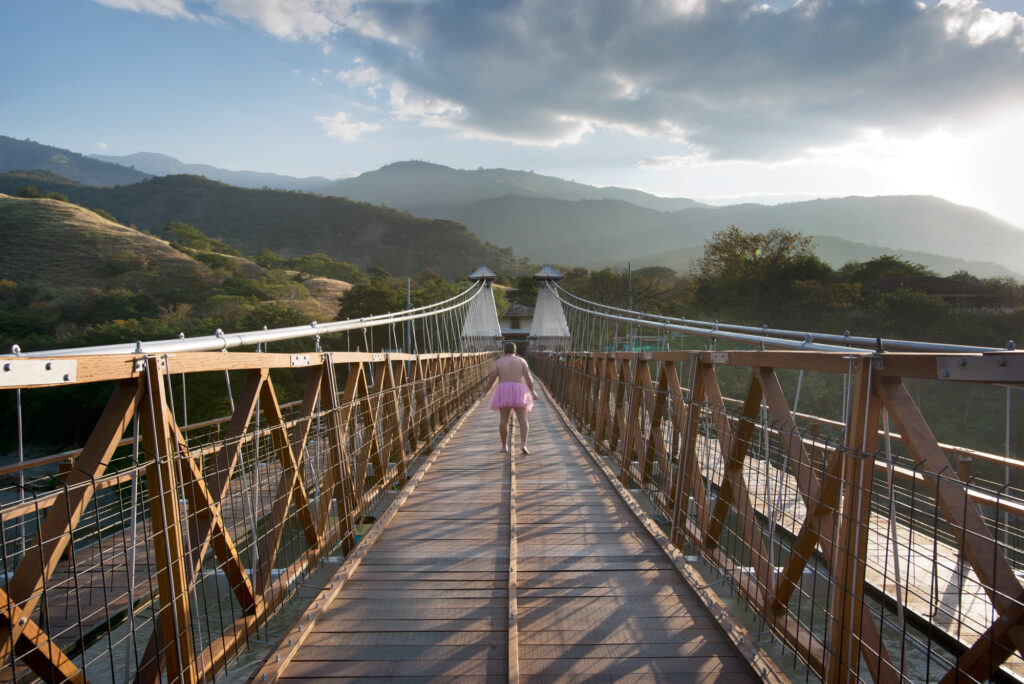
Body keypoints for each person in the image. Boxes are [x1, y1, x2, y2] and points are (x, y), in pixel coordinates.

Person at [484, 341, 539, 454]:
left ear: (504, 351)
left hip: (503, 390)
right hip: (518, 390)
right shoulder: (521, 361)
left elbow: (492, 379)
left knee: (503, 420)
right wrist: (533, 392)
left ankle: (504, 446)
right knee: (523, 419)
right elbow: (528, 378)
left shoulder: (498, 362)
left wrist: (484, 393)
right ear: (515, 350)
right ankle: (523, 444)